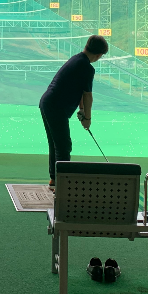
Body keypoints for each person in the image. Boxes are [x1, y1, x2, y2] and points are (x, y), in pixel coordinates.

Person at [39, 34, 108, 190]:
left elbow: (80, 91)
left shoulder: (77, 59)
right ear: (99, 55)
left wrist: (82, 110)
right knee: (63, 146)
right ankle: (61, 184)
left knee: (56, 144)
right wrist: (88, 118)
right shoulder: (87, 67)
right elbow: (88, 95)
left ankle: (55, 180)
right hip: (55, 106)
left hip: (48, 103)